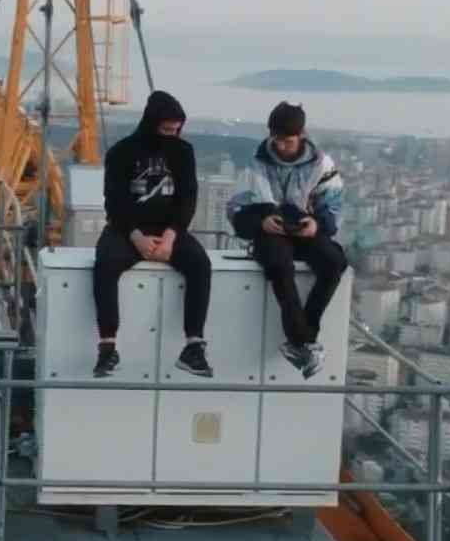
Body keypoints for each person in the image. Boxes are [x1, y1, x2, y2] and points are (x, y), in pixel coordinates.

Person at [92, 90, 213, 378]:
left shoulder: (184, 152)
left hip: (169, 230)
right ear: (151, 123)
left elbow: (188, 199)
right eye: (166, 129)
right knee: (106, 263)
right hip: (127, 230)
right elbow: (114, 202)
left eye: (177, 129)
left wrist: (171, 236)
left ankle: (193, 345)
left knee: (200, 264)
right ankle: (108, 346)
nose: (172, 134)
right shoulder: (121, 152)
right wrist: (136, 237)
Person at [230, 102, 348, 378]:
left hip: (304, 228)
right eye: (277, 140)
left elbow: (334, 206)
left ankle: (304, 337)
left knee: (334, 262)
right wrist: (260, 221)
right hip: (269, 228)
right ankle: (303, 341)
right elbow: (236, 209)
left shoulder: (322, 165)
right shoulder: (256, 164)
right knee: (279, 266)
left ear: (302, 135)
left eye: (288, 140)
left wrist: (316, 225)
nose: (282, 146)